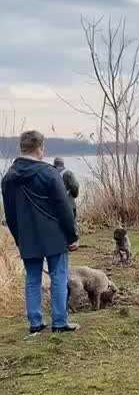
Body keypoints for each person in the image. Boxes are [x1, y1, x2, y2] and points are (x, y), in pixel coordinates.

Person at [1, 130, 80, 335]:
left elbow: (10, 215)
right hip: (55, 236)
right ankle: (60, 322)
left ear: (22, 148)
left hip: (28, 237)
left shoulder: (8, 178)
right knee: (59, 277)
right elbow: (63, 208)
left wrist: (19, 239)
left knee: (32, 279)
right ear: (40, 148)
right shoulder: (49, 173)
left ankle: (35, 323)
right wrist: (72, 236)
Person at [53, 157, 79, 226]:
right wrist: (74, 195)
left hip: (57, 206)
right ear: (63, 164)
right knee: (72, 226)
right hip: (69, 205)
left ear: (54, 164)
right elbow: (75, 186)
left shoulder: (52, 174)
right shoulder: (68, 173)